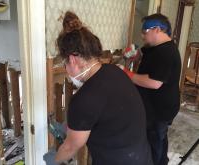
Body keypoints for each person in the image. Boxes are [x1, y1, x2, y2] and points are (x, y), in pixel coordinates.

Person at [51, 11, 153, 165]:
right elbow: (102, 114)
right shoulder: (115, 72)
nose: (65, 68)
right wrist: (68, 127)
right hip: (141, 156)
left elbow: (71, 147)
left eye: (64, 64)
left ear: (72, 60)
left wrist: (53, 160)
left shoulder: (84, 99)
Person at [122, 14, 181, 165]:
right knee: (161, 136)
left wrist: (127, 73)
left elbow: (154, 82)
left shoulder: (166, 52)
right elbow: (142, 52)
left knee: (154, 140)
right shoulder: (155, 47)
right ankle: (163, 161)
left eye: (145, 31)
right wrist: (133, 54)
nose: (142, 35)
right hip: (155, 107)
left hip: (159, 110)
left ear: (157, 29)